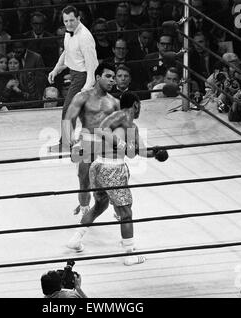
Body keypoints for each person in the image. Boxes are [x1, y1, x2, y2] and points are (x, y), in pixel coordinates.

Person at [67, 91, 169, 266]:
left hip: (99, 167)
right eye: (140, 107)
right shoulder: (119, 115)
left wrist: (156, 153)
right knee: (126, 213)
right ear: (136, 105)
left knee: (101, 205)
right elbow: (101, 130)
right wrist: (122, 145)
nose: (140, 111)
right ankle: (129, 253)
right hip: (111, 169)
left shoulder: (133, 127)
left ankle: (76, 239)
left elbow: (140, 151)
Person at [62, 63, 120, 217]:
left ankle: (119, 209)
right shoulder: (82, 97)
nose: (112, 80)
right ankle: (84, 210)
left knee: (112, 180)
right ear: (98, 77)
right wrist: (70, 139)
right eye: (108, 76)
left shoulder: (114, 102)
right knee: (84, 181)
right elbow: (68, 119)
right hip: (87, 142)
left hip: (106, 144)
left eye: (113, 77)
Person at [48, 5, 99, 151]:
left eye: (71, 20)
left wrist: (86, 88)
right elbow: (67, 51)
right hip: (75, 73)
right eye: (66, 21)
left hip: (83, 76)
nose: (69, 24)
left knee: (69, 109)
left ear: (78, 18)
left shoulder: (85, 37)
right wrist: (56, 69)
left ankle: (66, 143)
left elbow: (92, 65)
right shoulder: (69, 32)